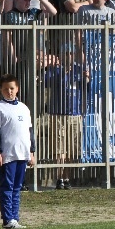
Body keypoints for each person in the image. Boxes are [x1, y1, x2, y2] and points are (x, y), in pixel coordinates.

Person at [0, 73, 36, 228]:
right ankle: (8, 219)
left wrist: (32, 151)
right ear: (1, 90)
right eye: (6, 89)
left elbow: (30, 132)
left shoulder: (24, 108)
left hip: (22, 153)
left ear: (17, 89)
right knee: (7, 186)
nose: (9, 91)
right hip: (8, 154)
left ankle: (15, 217)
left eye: (12, 88)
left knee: (17, 187)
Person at [43, 45, 89, 190]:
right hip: (58, 114)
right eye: (65, 53)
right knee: (58, 147)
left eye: (71, 53)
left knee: (72, 149)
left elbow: (87, 88)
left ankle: (67, 177)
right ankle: (59, 178)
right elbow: (45, 82)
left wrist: (87, 79)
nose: (68, 56)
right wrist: (58, 71)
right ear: (61, 55)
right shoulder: (55, 70)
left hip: (74, 114)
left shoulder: (79, 70)